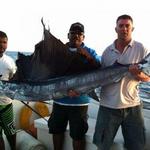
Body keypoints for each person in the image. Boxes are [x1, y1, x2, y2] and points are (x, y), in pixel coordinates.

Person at [93, 14, 150, 150]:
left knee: (136, 146)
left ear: (132, 28)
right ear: (116, 29)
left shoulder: (141, 49)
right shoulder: (107, 52)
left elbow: (148, 78)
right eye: (121, 26)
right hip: (108, 107)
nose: (124, 29)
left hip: (133, 108)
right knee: (102, 145)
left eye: (127, 26)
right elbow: (100, 80)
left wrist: (137, 73)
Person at [48, 22, 100, 150]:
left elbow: (99, 69)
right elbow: (51, 72)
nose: (76, 35)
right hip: (59, 101)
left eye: (79, 33)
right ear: (68, 35)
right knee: (56, 131)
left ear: (83, 37)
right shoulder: (59, 51)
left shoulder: (90, 52)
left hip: (80, 103)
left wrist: (88, 57)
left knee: (78, 135)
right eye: (73, 33)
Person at [0, 31, 17, 150]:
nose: (1, 45)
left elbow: (14, 81)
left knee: (11, 132)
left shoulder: (10, 62)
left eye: (4, 42)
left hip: (6, 104)